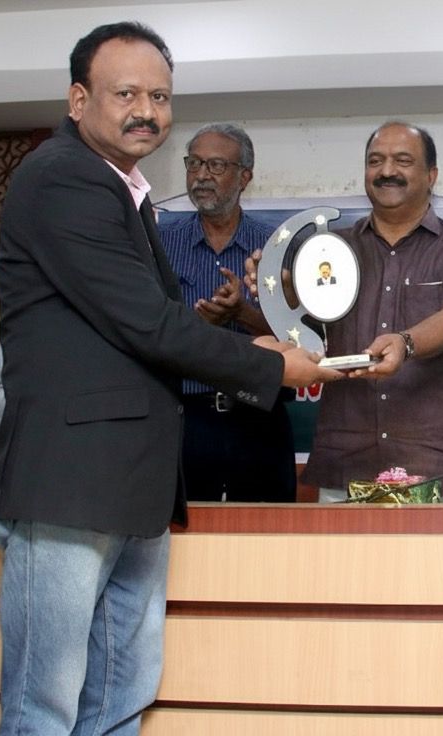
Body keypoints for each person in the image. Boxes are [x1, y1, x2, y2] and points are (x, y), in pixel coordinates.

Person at [0, 22, 337, 736]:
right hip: (70, 484)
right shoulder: (64, 177)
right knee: (44, 706)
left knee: (119, 699)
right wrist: (272, 364)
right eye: (126, 94)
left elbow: (147, 326)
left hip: (132, 489)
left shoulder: (124, 190)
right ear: (78, 100)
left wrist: (255, 341)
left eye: (160, 96)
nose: (146, 110)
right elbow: (147, 323)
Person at [249, 121, 443, 502]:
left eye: (403, 160)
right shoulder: (328, 250)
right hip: (347, 462)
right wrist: (280, 290)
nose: (386, 171)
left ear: (431, 175)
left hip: (438, 464)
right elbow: (298, 331)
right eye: (375, 161)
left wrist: (406, 343)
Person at [159, 123, 297, 502]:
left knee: (267, 532)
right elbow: (148, 332)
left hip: (259, 418)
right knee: (183, 533)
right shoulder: (161, 244)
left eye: (216, 165)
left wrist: (241, 313)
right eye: (194, 163)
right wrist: (197, 327)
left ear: (244, 177)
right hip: (184, 421)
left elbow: (299, 340)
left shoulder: (275, 246)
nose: (202, 175)